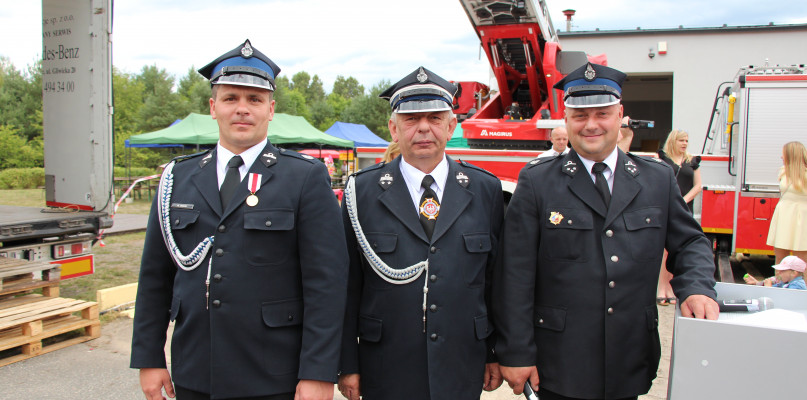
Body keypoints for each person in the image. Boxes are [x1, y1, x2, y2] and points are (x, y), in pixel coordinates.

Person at [130, 40, 349, 400]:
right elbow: (155, 275)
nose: (242, 109)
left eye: (254, 100)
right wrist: (149, 357)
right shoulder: (177, 179)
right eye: (231, 98)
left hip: (274, 375)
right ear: (213, 107)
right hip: (196, 369)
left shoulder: (304, 178)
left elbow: (326, 284)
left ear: (271, 109)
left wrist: (318, 372)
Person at [494, 62, 719, 400]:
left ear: (620, 116)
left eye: (602, 113)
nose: (591, 124)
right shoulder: (538, 181)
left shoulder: (656, 179)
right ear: (566, 120)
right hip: (559, 362)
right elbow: (514, 271)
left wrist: (697, 288)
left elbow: (690, 242)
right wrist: (515, 351)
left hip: (629, 355)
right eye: (580, 116)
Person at [338, 66, 504, 400]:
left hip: (461, 360)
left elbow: (495, 281)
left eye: (435, 117)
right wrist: (347, 362)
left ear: (451, 125)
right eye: (411, 119)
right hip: (384, 364)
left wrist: (494, 352)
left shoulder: (486, 189)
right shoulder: (362, 192)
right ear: (393, 129)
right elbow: (347, 285)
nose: (424, 128)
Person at [656, 129, 703, 305]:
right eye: (681, 140)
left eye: (686, 141)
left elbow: (698, 186)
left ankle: (673, 288)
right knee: (664, 250)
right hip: (665, 207)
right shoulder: (662, 157)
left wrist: (682, 201)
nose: (684, 143)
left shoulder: (693, 161)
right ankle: (662, 288)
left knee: (678, 249)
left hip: (684, 209)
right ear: (673, 141)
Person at [766, 141, 807, 263]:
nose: (781, 157)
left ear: (791, 155)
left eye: (783, 154)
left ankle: (802, 282)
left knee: (802, 260)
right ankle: (780, 282)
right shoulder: (783, 172)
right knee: (780, 258)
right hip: (784, 215)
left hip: (802, 217)